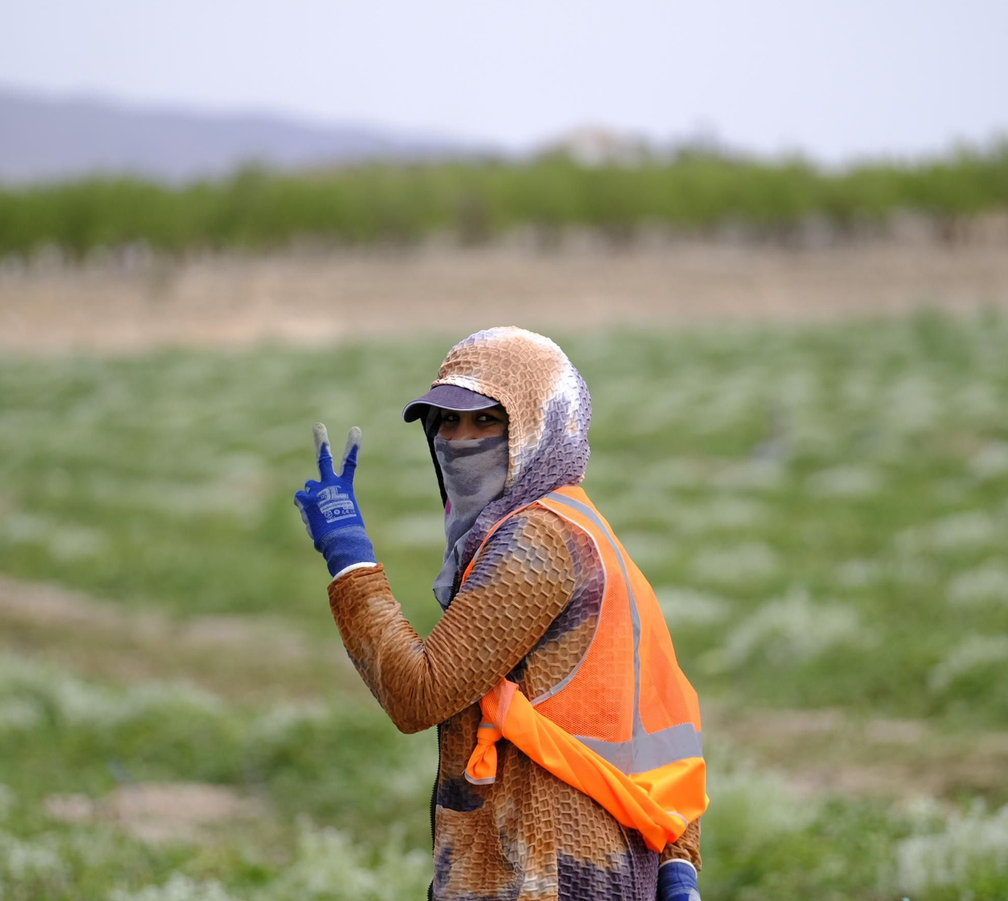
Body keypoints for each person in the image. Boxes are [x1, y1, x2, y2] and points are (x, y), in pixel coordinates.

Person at [294, 326, 706, 901]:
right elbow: (657, 725)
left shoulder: (535, 540)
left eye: (487, 421)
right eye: (446, 422)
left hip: (541, 869)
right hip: (606, 863)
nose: (459, 440)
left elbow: (419, 693)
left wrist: (349, 557)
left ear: (538, 428)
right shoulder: (583, 527)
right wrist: (677, 861)